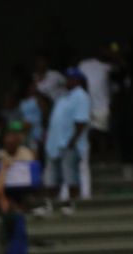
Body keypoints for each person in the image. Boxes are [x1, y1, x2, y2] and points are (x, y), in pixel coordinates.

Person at [41, 68, 91, 215]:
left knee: (71, 176)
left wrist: (72, 141)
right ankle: (49, 205)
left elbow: (81, 122)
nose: (67, 81)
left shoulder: (81, 96)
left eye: (70, 79)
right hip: (54, 144)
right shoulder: (63, 97)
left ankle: (71, 204)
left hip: (69, 143)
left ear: (78, 80)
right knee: (51, 177)